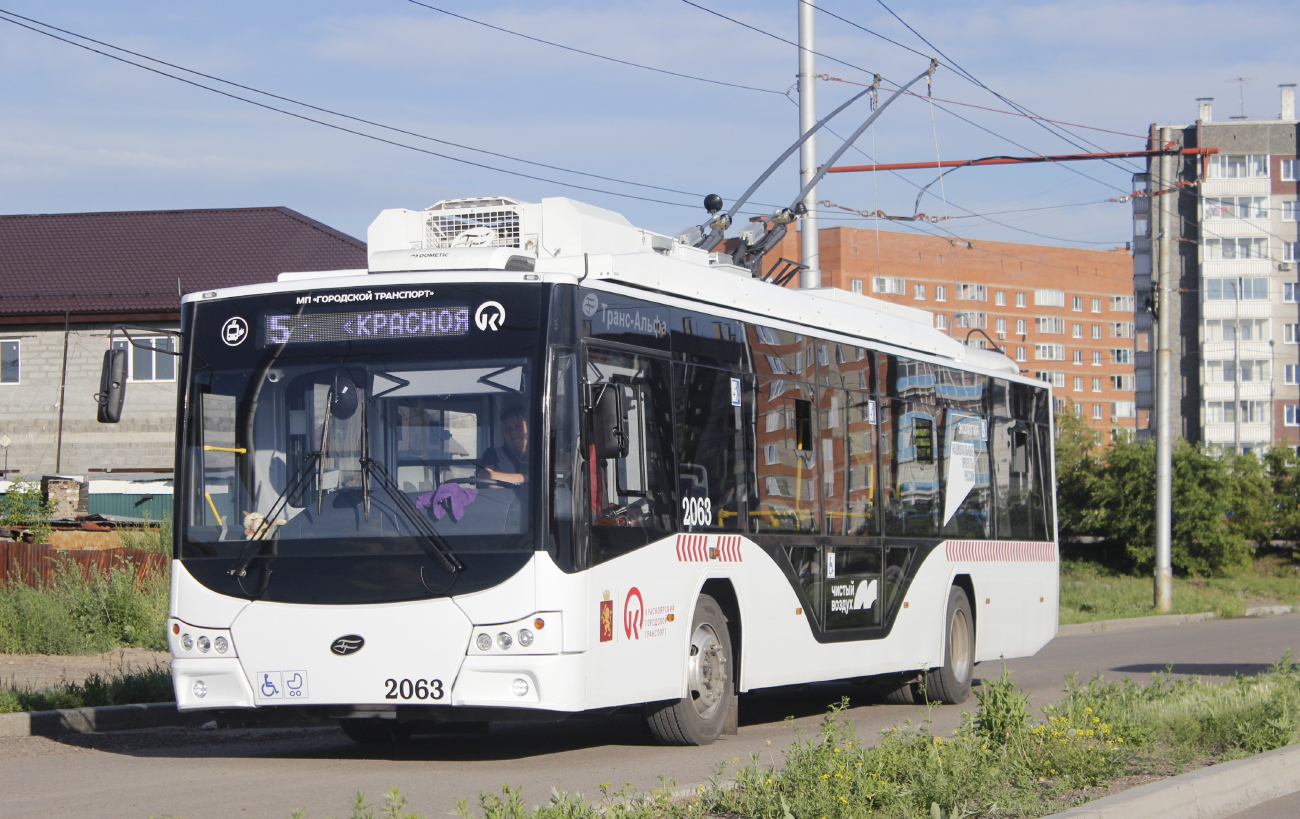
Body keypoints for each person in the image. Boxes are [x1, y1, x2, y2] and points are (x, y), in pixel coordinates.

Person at [479, 404, 529, 485]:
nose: (513, 432)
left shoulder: (541, 455)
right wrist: (525, 477)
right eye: (508, 429)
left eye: (519, 426)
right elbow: (485, 478)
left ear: (529, 427)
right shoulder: (494, 453)